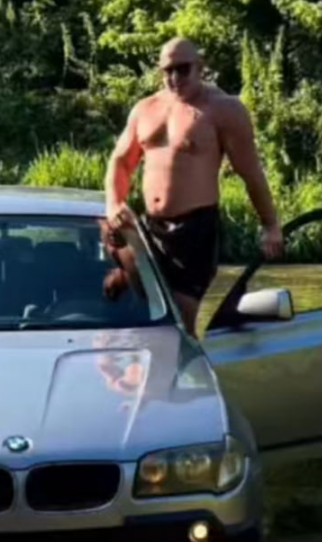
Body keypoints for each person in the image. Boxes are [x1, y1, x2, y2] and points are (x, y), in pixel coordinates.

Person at [105, 37, 284, 335]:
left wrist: (271, 225)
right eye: (168, 71)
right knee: (148, 312)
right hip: (150, 226)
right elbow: (120, 162)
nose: (175, 78)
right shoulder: (146, 109)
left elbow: (250, 172)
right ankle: (129, 275)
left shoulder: (224, 110)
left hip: (195, 230)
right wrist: (113, 203)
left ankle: (184, 376)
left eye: (183, 69)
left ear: (200, 67)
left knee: (180, 324)